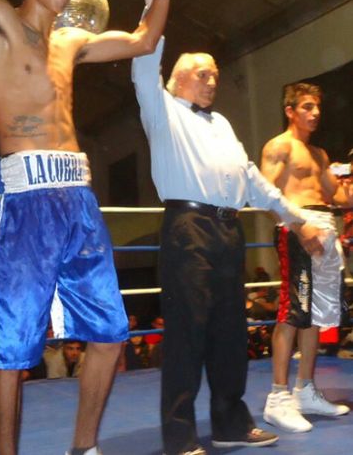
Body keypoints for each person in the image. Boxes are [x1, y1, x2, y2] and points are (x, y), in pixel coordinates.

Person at [0, 0, 180, 455]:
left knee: (110, 334)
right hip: (25, 203)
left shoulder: (71, 43)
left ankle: (84, 447)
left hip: (79, 200)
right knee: (11, 351)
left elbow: (142, 40)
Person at [132, 38, 324, 455]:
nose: (212, 80)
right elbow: (144, 62)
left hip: (227, 232)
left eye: (216, 74)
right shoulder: (162, 111)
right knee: (186, 336)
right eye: (203, 74)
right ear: (177, 81)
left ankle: (230, 424)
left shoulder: (220, 124)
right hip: (188, 228)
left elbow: (253, 180)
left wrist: (297, 218)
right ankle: (180, 438)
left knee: (229, 335)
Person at [261, 82, 352, 433]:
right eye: (307, 107)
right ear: (290, 110)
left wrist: (347, 180)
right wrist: (299, 227)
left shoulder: (319, 154)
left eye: (317, 108)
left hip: (326, 229)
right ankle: (278, 398)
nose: (315, 113)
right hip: (298, 228)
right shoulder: (279, 146)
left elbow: (339, 197)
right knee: (292, 311)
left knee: (315, 315)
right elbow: (266, 195)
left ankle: (306, 389)